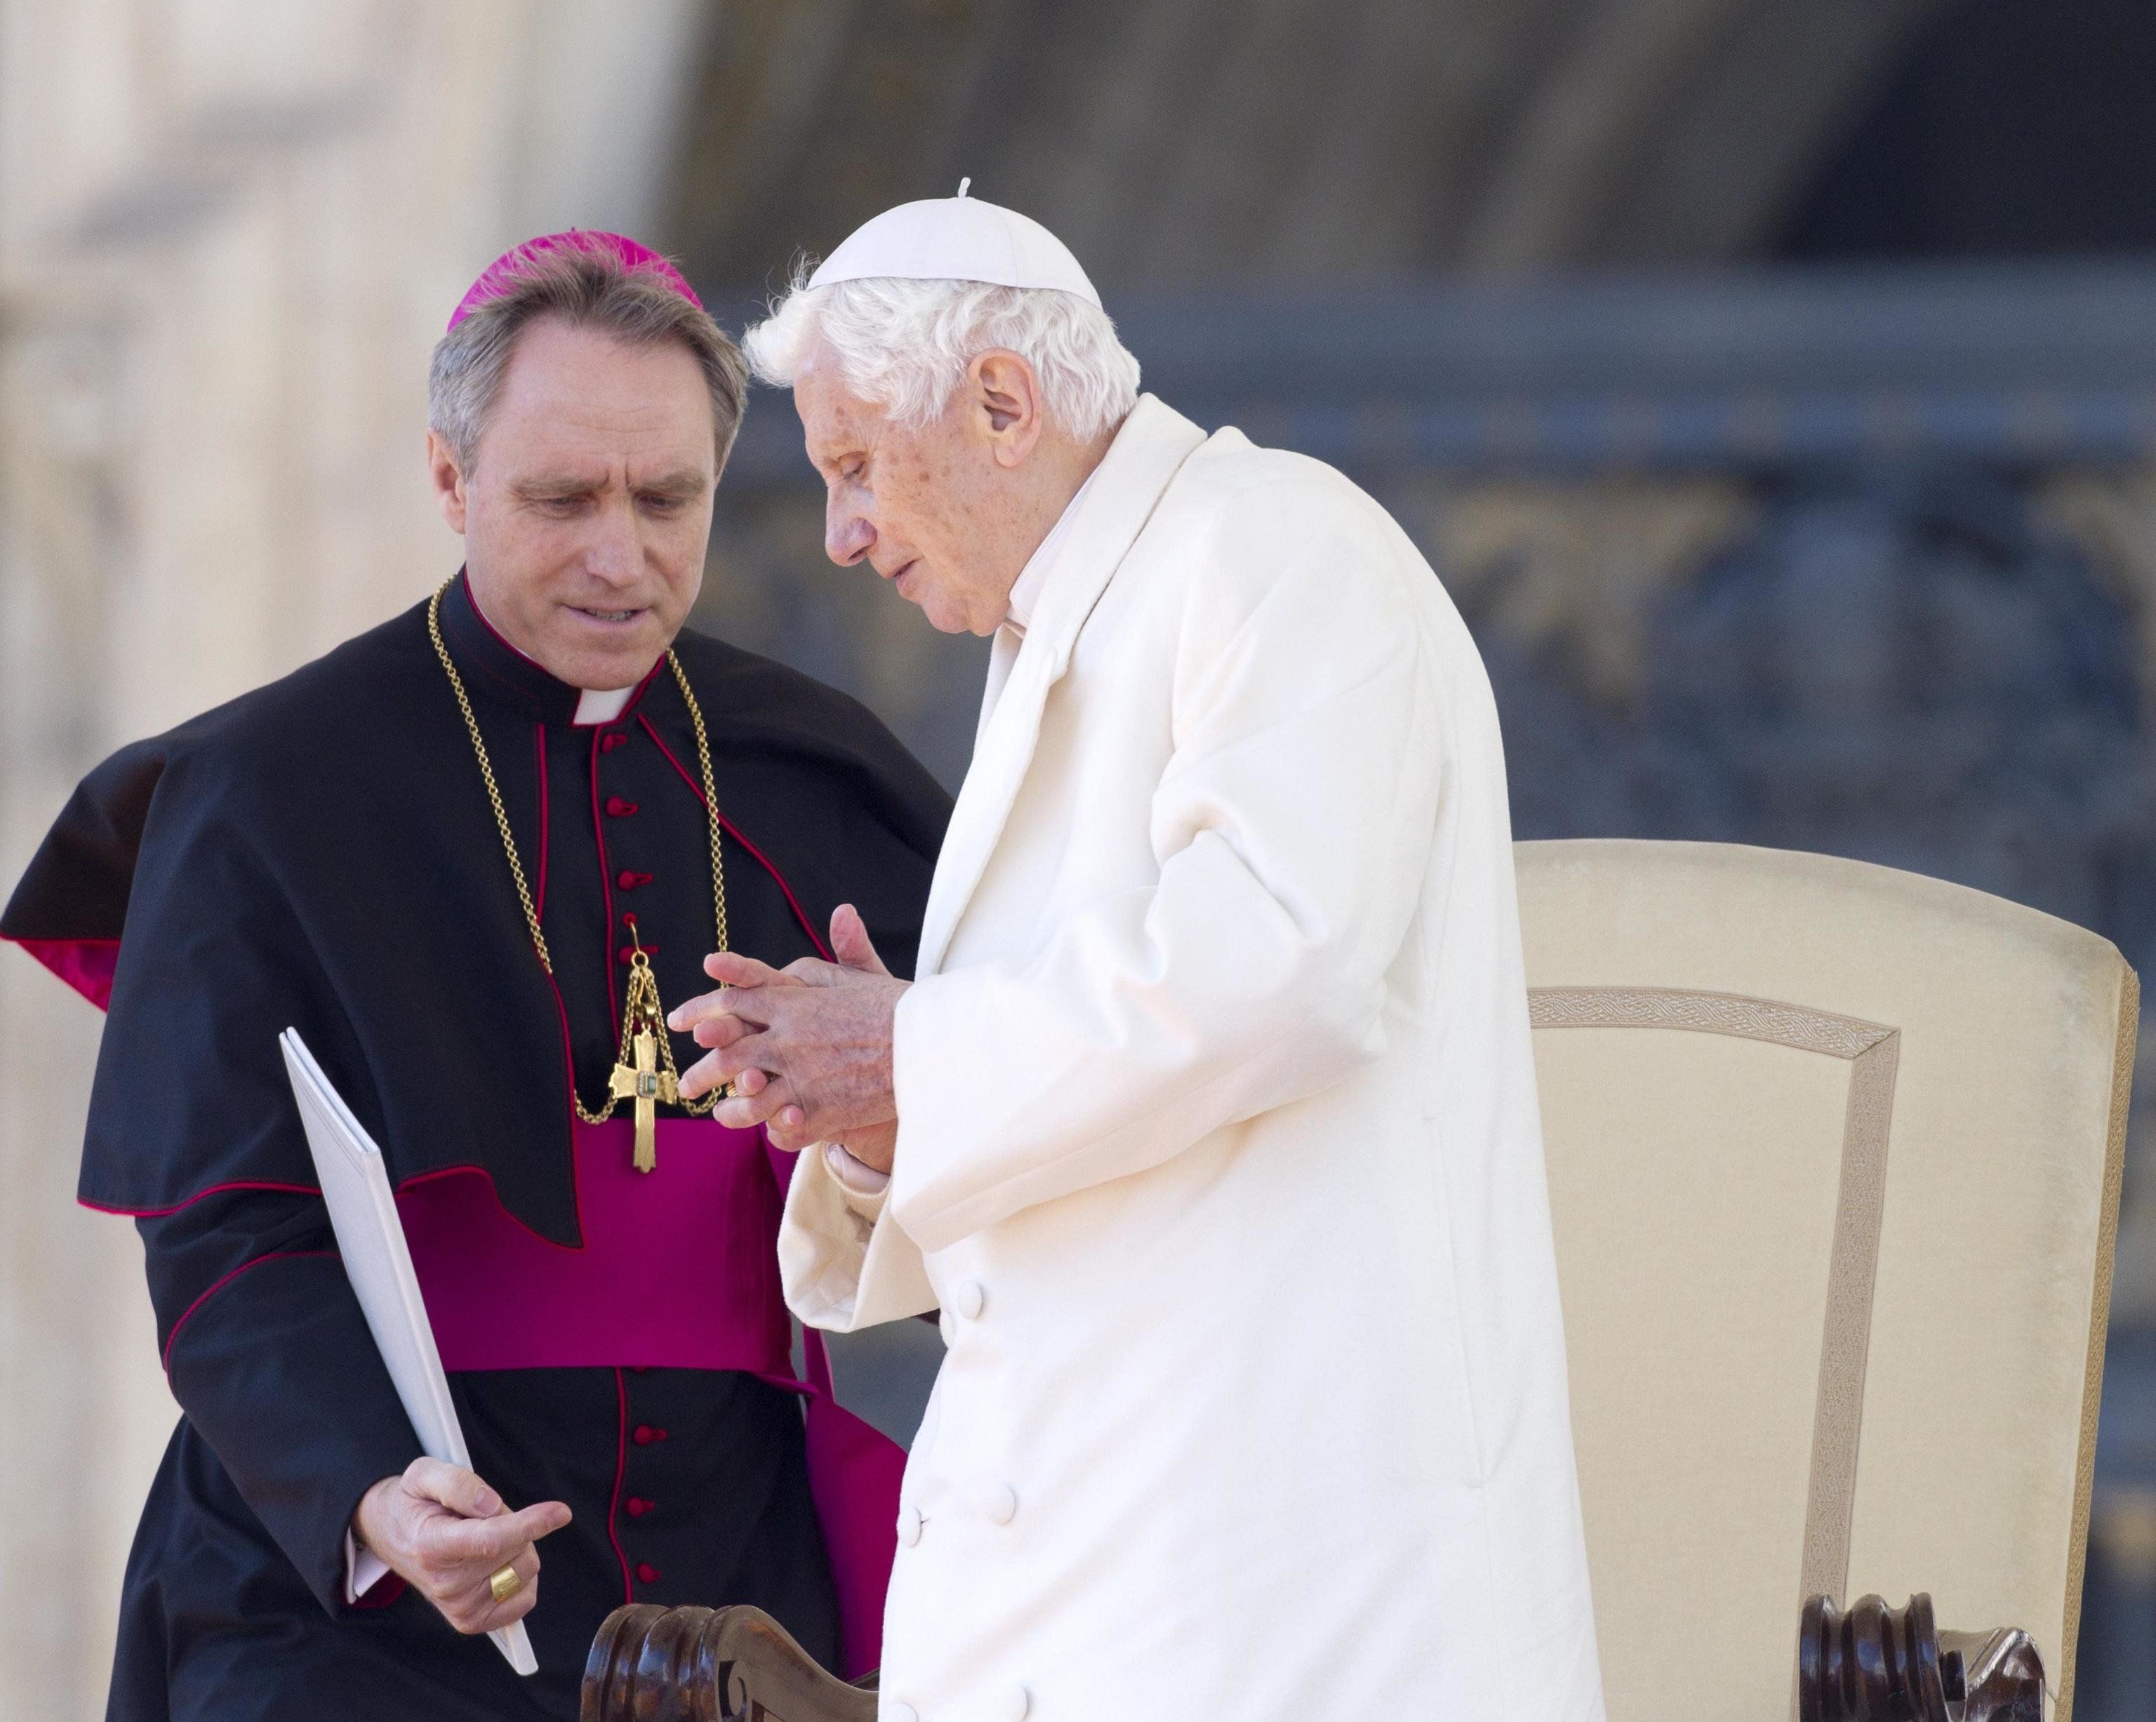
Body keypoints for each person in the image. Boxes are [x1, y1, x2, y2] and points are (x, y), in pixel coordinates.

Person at [667, 190, 1607, 1721]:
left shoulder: (1279, 545)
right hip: (1101, 1571)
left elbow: (1288, 962)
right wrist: (884, 1120)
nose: (837, 532)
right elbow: (1094, 1095)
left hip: (1283, 1586)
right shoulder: (1057, 640)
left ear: (999, 401)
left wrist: (915, 1051)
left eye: (852, 467)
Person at [1, 232, 947, 1721]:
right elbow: (227, 1238)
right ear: (451, 484)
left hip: (734, 1586)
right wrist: (374, 1495)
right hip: (360, 1592)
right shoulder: (273, 794)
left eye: (667, 498)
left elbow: (1011, 1166)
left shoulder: (817, 775)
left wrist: (902, 1127)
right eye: (562, 499)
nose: (620, 555)